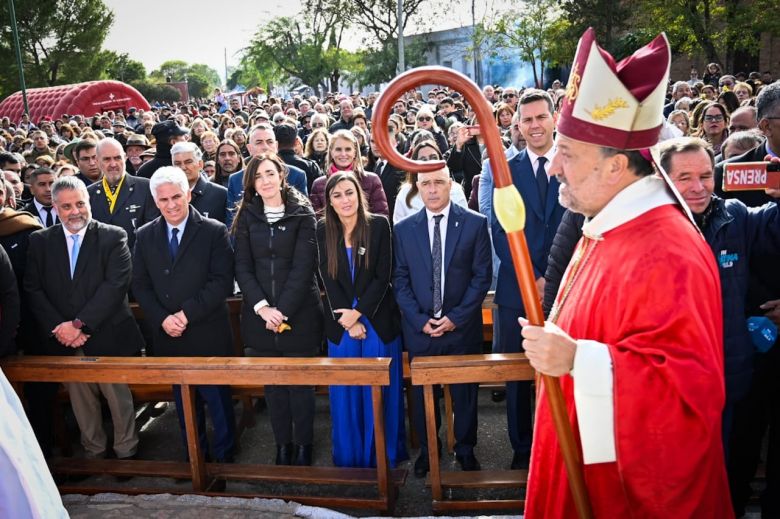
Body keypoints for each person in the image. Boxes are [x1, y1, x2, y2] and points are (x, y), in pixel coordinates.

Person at [521, 29, 732, 517]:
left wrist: (578, 360)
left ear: (616, 167)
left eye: (567, 153)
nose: (553, 167)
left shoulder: (667, 251)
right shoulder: (606, 226)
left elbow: (688, 399)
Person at [24, 176, 143, 464]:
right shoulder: (40, 240)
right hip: (65, 340)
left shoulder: (113, 236)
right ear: (55, 207)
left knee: (118, 398)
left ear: (88, 202)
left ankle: (127, 451)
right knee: (81, 400)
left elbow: (115, 286)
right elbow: (33, 288)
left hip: (107, 336)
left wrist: (79, 325)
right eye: (66, 206)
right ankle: (94, 453)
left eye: (80, 203)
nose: (75, 211)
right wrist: (62, 329)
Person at [131, 167, 236, 481]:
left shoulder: (214, 230)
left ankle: (225, 458)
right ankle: (195, 455)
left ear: (188, 194)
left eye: (176, 196)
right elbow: (141, 284)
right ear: (155, 201)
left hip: (207, 332)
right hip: (169, 335)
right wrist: (164, 318)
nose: (171, 204)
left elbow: (221, 282)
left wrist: (185, 314)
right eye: (163, 199)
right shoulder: (144, 234)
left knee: (217, 400)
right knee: (183, 402)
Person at [393, 165, 491, 478]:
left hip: (461, 329)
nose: (432, 189)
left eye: (438, 182)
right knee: (424, 397)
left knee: (464, 394)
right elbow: (400, 279)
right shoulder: (404, 229)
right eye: (426, 184)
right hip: (420, 330)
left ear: (451, 184)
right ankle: (428, 450)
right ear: (417, 188)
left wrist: (453, 319)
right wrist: (421, 321)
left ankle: (465, 449)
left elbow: (481, 277)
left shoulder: (475, 224)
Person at [233, 153, 323, 467]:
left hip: (298, 313)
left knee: (300, 385)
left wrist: (281, 310)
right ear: (252, 184)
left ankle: (304, 444)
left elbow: (304, 267)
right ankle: (283, 443)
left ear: (282, 175)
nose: (266, 181)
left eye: (270, 173)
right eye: (259, 177)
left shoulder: (302, 212)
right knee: (273, 387)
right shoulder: (246, 215)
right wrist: (262, 308)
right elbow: (242, 267)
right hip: (260, 317)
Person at [492, 88, 564, 471]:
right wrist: (530, 278)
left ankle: (562, 446)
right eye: (527, 119)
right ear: (518, 125)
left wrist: (550, 280)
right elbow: (499, 230)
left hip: (566, 288)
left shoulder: (571, 163)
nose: (535, 126)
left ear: (554, 119)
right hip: (516, 293)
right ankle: (523, 450)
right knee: (519, 374)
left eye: (541, 117)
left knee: (562, 369)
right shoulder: (506, 168)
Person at [316, 172, 408, 468]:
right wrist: (349, 320)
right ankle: (350, 457)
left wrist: (360, 314)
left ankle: (384, 455)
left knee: (380, 392)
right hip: (342, 322)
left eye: (349, 192)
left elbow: (384, 276)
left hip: (377, 318)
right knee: (346, 394)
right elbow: (327, 279)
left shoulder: (379, 225)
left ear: (360, 194)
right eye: (337, 195)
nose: (345, 200)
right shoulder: (322, 230)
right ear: (329, 202)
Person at [226, 124, 308, 228]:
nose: (265, 147)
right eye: (259, 142)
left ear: (276, 146)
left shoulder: (297, 175)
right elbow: (232, 224)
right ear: (249, 148)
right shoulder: (235, 180)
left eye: (270, 142)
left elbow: (304, 219)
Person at [87, 139, 160, 251]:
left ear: (125, 157)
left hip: (136, 263)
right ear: (97, 161)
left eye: (117, 158)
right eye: (107, 159)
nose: (113, 164)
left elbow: (152, 233)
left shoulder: (146, 187)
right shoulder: (88, 194)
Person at [310, 130, 388, 217]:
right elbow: (317, 222)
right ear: (331, 152)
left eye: (348, 149)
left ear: (355, 152)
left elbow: (381, 218)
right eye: (338, 149)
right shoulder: (318, 185)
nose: (343, 154)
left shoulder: (372, 180)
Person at [393, 139, 468, 224]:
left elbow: (465, 224)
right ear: (414, 164)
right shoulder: (405, 193)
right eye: (423, 159)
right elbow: (399, 229)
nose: (429, 162)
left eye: (433, 157)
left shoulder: (455, 190)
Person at [171, 142, 227, 223]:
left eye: (188, 162)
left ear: (200, 164)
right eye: (177, 163)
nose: (183, 167)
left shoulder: (221, 194)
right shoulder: (166, 195)